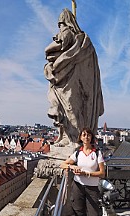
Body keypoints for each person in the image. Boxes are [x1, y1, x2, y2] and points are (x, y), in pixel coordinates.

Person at [45, 8, 104, 154]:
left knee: (72, 109)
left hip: (71, 81)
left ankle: (75, 139)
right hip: (65, 80)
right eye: (59, 25)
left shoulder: (73, 36)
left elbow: (55, 49)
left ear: (66, 22)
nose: (60, 27)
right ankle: (67, 136)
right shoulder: (83, 41)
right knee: (65, 109)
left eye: (61, 24)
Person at [60, 128, 112, 216]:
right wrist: (73, 167)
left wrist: (87, 174)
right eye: (84, 135)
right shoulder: (78, 153)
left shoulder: (97, 153)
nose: (86, 137)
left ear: (91, 137)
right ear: (81, 138)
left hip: (92, 188)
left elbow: (102, 173)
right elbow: (63, 164)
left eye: (88, 135)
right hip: (78, 187)